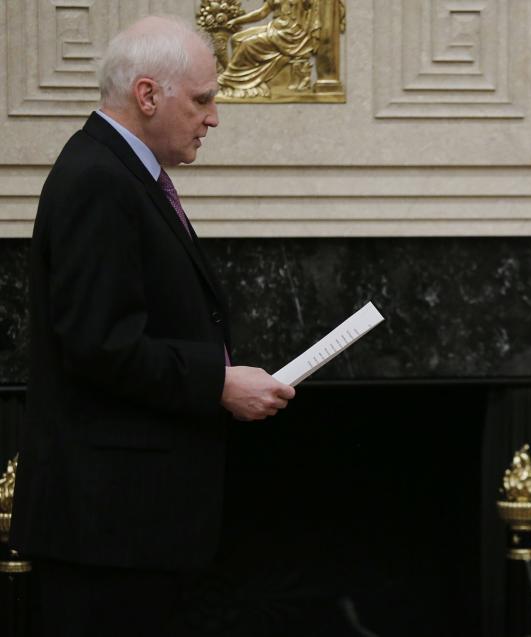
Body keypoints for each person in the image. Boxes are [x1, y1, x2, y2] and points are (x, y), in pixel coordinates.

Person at [10, 16, 295, 636]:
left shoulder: (120, 173)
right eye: (202, 100)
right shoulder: (97, 180)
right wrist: (216, 383)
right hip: (106, 530)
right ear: (147, 95)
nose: (213, 117)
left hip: (126, 525)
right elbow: (98, 344)